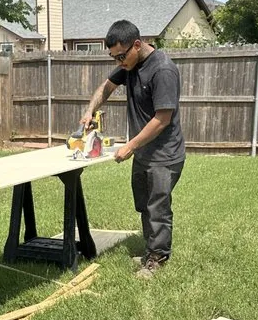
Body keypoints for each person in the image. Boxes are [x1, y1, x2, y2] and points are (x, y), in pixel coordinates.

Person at [79, 19, 185, 279]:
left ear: (137, 44)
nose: (119, 62)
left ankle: (157, 260)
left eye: (121, 56)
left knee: (157, 207)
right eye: (114, 57)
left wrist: (130, 146)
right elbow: (106, 86)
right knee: (144, 204)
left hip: (164, 155)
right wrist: (89, 110)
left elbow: (162, 119)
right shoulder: (129, 65)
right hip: (144, 153)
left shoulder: (162, 70)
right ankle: (151, 250)